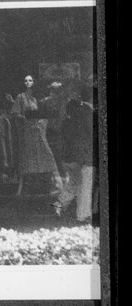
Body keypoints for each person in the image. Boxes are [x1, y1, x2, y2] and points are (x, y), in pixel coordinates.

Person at [55, 85, 96, 223]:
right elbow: (91, 133)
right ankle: (83, 215)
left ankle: (57, 206)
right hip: (84, 155)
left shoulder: (68, 117)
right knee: (85, 184)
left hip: (69, 156)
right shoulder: (87, 111)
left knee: (74, 183)